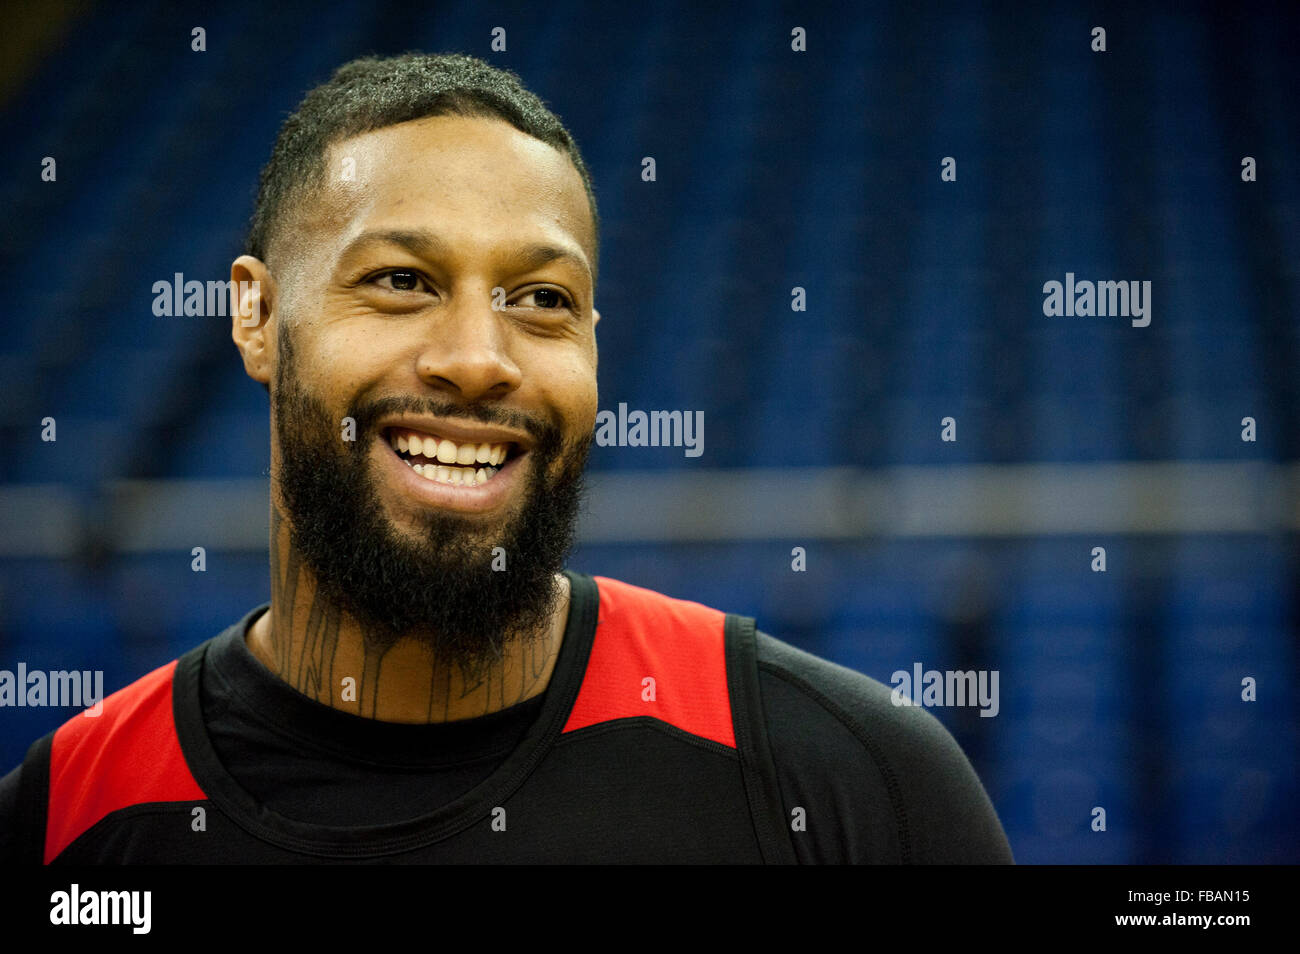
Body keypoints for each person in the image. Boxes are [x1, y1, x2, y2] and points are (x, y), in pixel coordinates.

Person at [0, 53, 1012, 864]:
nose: (479, 361)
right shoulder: (70, 816)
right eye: (400, 279)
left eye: (542, 300)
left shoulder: (846, 781)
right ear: (257, 316)